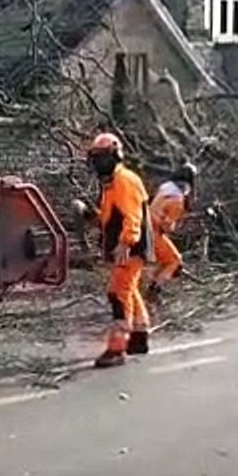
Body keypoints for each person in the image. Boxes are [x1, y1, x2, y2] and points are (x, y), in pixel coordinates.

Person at [83, 132, 154, 368]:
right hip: (128, 245)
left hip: (130, 247)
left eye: (101, 158)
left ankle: (117, 349)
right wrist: (89, 214)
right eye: (96, 158)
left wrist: (126, 242)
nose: (98, 163)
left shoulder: (124, 180)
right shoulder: (113, 182)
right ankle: (139, 337)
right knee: (129, 288)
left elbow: (132, 216)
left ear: (115, 155)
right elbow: (109, 216)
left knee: (118, 292)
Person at [147, 162, 197, 299]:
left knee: (164, 260)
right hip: (154, 232)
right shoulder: (178, 200)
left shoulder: (164, 189)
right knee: (175, 261)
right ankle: (154, 290)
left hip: (145, 227)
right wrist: (175, 226)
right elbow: (167, 226)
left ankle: (152, 284)